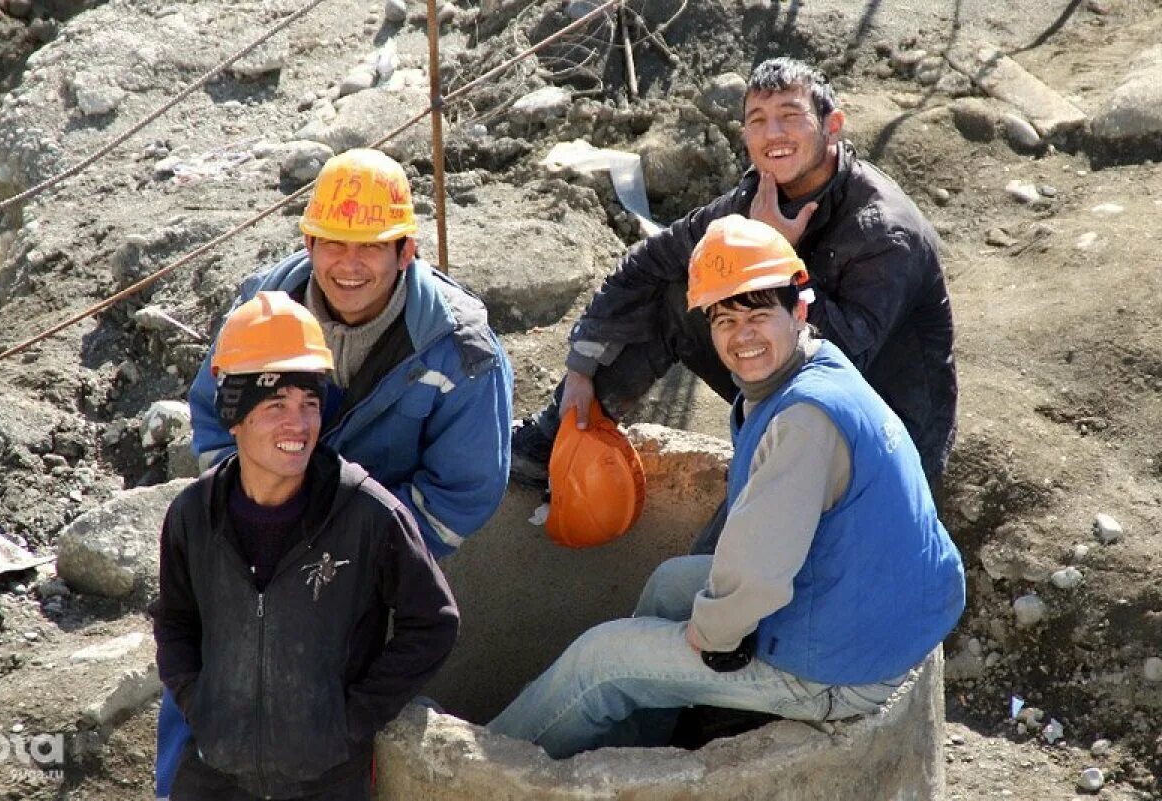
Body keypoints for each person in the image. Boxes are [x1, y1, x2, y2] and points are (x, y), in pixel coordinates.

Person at [487, 216, 965, 759]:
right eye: (724, 319)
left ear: (799, 309)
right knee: (671, 584)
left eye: (759, 313)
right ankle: (636, 749)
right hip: (861, 604)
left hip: (846, 665)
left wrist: (713, 636)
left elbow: (756, 574)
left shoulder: (804, 422)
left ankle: (484, 770)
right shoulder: (819, 367)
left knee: (599, 664)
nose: (741, 337)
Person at [157, 147, 512, 798]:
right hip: (257, 521)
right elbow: (212, 417)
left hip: (373, 545)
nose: (349, 265)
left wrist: (363, 546)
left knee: (336, 709)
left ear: (405, 250)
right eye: (333, 244)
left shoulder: (459, 346)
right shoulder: (264, 306)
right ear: (311, 241)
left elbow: (464, 491)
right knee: (211, 679)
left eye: (371, 247)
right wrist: (248, 508)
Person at [511, 56, 957, 501]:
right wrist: (581, 366)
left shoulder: (883, 231)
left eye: (790, 116)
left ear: (832, 124)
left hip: (883, 440)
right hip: (792, 395)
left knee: (726, 562)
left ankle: (762, 474)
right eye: (757, 121)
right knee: (678, 294)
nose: (773, 135)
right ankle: (564, 437)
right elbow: (650, 261)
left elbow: (842, 366)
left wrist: (776, 252)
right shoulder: (760, 195)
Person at [150, 291, 458, 799]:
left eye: (309, 403)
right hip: (214, 776)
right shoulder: (193, 515)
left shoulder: (367, 514)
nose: (298, 424)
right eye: (276, 405)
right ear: (236, 416)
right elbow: (175, 621)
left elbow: (433, 624)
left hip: (328, 781)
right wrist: (200, 704)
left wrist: (349, 721)